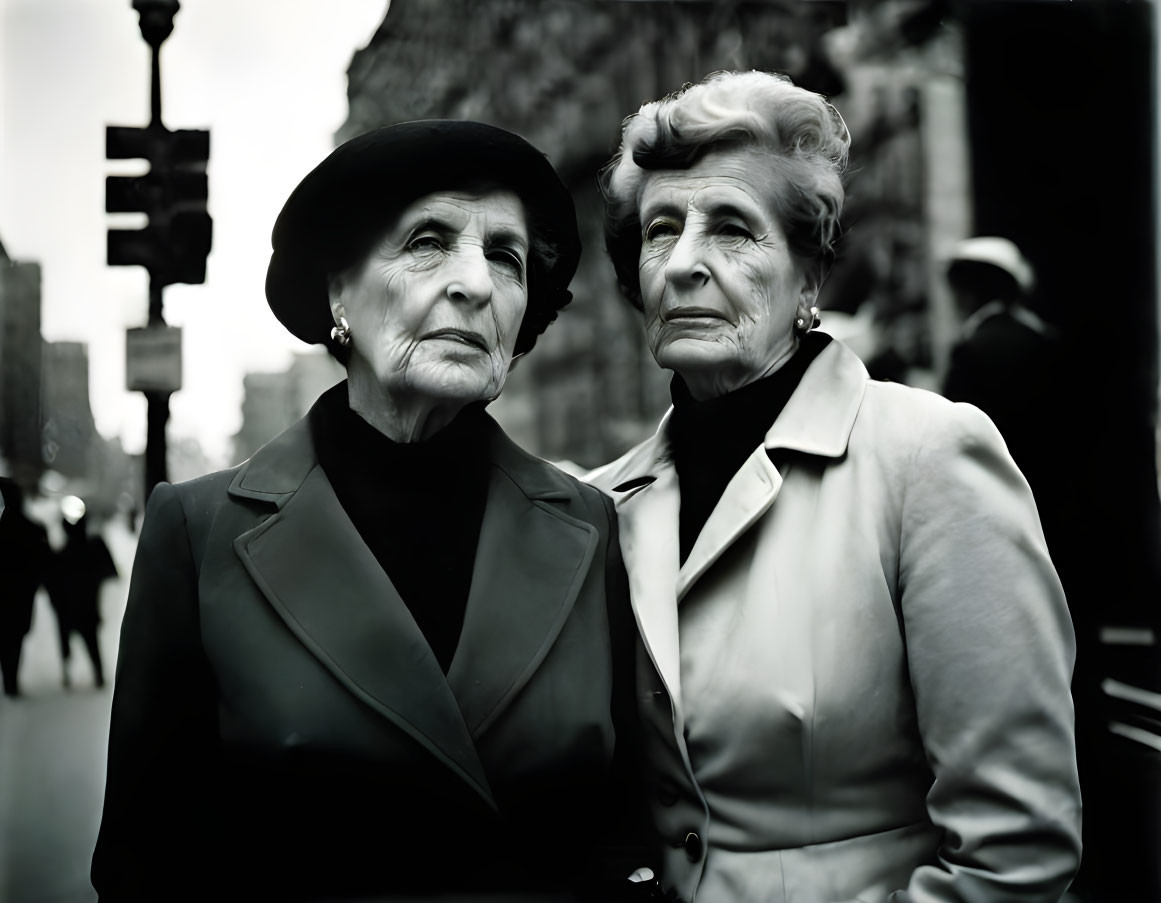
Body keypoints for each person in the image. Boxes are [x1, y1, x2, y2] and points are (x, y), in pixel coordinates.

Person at [93, 121, 646, 902]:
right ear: (336, 292)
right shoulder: (199, 530)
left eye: (505, 256)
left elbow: (628, 826)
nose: (477, 284)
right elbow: (144, 865)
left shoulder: (592, 527)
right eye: (427, 241)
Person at [589, 71, 1081, 903]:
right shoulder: (602, 504)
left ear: (808, 281)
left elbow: (1014, 856)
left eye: (733, 229)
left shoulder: (926, 456)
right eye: (658, 229)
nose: (681, 264)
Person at [48, 496, 117, 689]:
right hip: (83, 602)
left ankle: (70, 673)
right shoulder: (91, 548)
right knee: (90, 639)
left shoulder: (63, 555)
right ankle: (95, 673)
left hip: (71, 603)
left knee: (74, 638)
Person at [0, 478, 51, 697]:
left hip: (7, 592)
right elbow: (42, 559)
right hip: (21, 593)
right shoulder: (31, 528)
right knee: (15, 637)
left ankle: (9, 679)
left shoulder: (7, 527)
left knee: (7, 636)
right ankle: (11, 680)